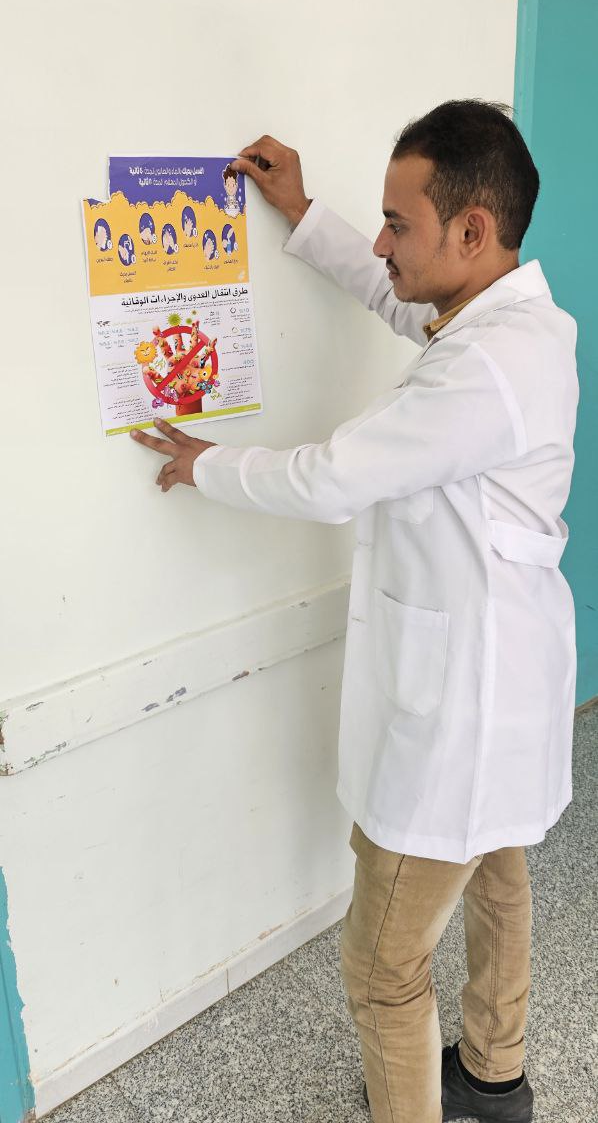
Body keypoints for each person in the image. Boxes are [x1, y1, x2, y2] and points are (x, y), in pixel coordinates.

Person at [130, 103, 578, 1123]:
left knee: (383, 967)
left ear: (470, 230)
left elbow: (333, 477)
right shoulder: (509, 319)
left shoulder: (484, 366)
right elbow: (396, 297)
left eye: (397, 222)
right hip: (504, 680)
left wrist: (207, 464)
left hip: (461, 707)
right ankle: (494, 1075)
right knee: (497, 876)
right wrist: (303, 212)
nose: (382, 244)